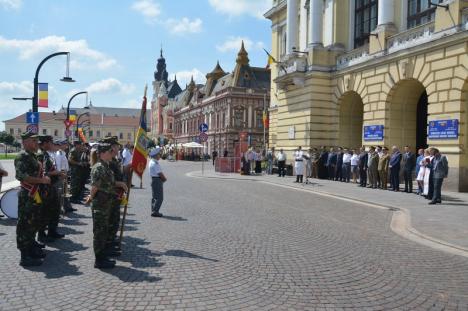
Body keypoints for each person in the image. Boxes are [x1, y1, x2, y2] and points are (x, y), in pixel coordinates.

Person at [85, 143, 127, 269]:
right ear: (102, 153)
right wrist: (90, 198)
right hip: (100, 205)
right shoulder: (99, 167)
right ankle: (99, 260)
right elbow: (95, 187)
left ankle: (102, 256)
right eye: (109, 151)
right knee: (99, 232)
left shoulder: (105, 166)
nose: (111, 153)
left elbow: (108, 182)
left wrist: (119, 183)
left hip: (105, 204)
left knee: (103, 231)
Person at [15, 131, 51, 267]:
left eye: (37, 141)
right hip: (27, 195)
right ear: (25, 142)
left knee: (33, 223)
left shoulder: (33, 156)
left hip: (35, 194)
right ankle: (24, 256)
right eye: (33, 141)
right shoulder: (22, 156)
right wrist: (42, 180)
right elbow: (21, 176)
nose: (37, 143)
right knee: (25, 225)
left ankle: (30, 248)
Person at [37, 135, 66, 243]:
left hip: (51, 186)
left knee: (55, 210)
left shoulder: (47, 155)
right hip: (44, 188)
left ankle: (52, 231)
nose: (52, 144)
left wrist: (58, 175)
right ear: (45, 143)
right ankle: (41, 234)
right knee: (44, 212)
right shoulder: (40, 156)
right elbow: (42, 173)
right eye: (50, 142)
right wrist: (57, 173)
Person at [101, 136, 124, 254]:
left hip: (115, 195)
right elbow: (106, 181)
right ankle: (108, 244)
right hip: (110, 195)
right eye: (116, 146)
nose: (118, 148)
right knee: (110, 220)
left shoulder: (114, 160)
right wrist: (119, 183)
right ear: (111, 147)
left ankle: (110, 240)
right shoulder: (108, 162)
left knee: (114, 220)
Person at [149, 147, 167, 217]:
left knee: (154, 197)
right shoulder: (155, 163)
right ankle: (155, 211)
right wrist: (164, 179)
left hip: (154, 180)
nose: (160, 155)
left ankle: (153, 209)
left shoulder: (151, 162)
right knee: (160, 197)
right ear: (156, 155)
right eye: (159, 154)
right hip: (157, 180)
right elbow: (160, 173)